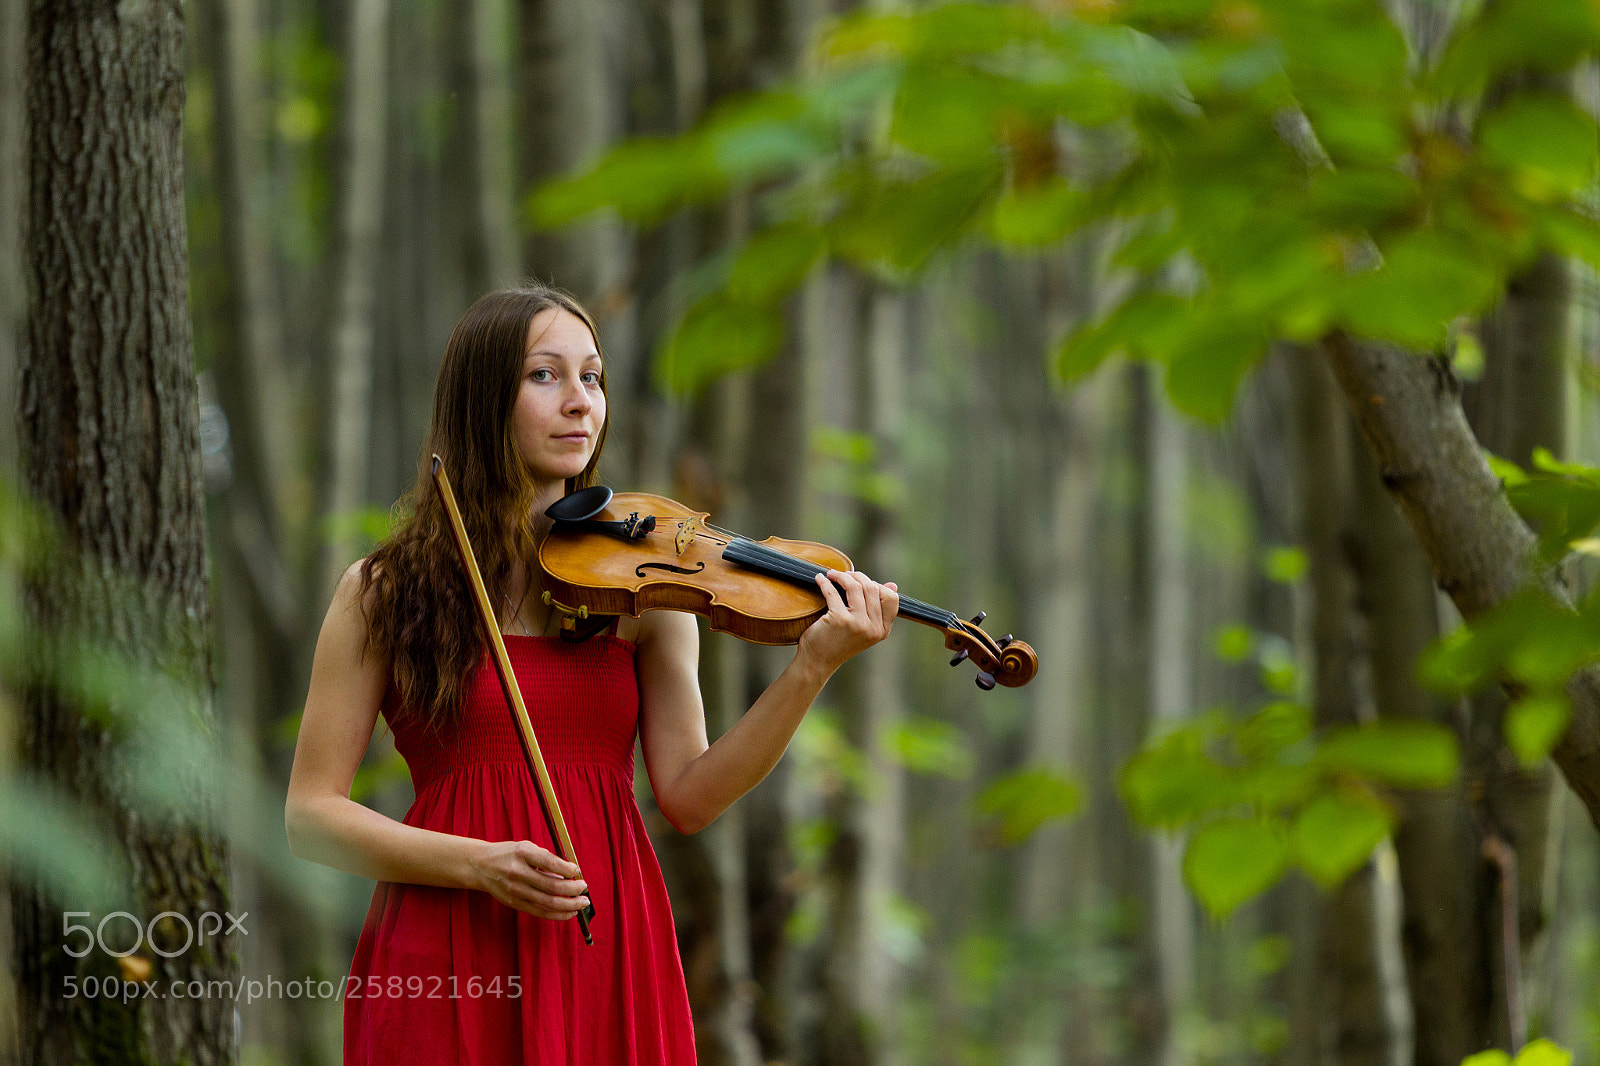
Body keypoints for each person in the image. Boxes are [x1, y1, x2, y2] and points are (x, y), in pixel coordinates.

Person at [284, 284, 899, 1065]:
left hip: (606, 939)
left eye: (593, 377)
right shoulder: (383, 591)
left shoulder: (644, 591)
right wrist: (479, 863)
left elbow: (690, 794)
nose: (580, 402)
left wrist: (811, 667)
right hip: (447, 950)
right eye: (545, 376)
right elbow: (310, 816)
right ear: (482, 399)